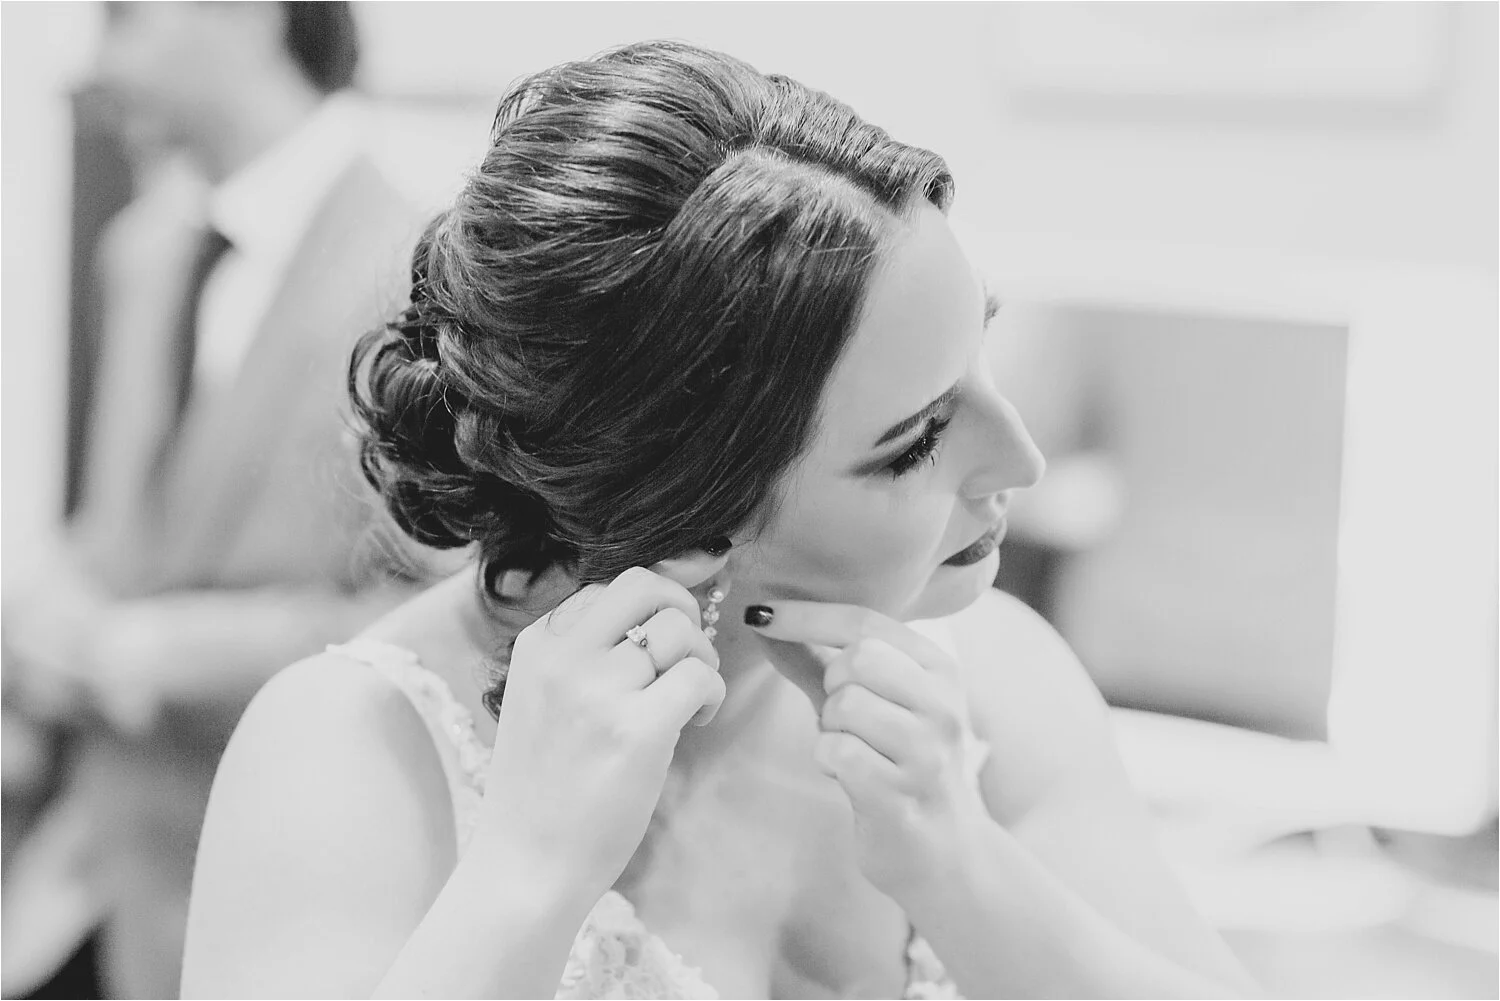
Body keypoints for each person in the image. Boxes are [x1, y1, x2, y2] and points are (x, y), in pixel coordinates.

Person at [183, 41, 1259, 999]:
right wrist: (525, 878)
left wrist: (961, 868)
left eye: (981, 353)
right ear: (691, 508)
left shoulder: (994, 685)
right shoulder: (349, 751)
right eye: (918, 439)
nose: (1016, 458)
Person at [2, 4, 420, 997]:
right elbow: (128, 529)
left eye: (124, 17)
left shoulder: (421, 263)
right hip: (94, 874)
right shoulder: (142, 251)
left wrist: (149, 652)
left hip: (289, 887)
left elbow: (439, 611)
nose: (97, 63)